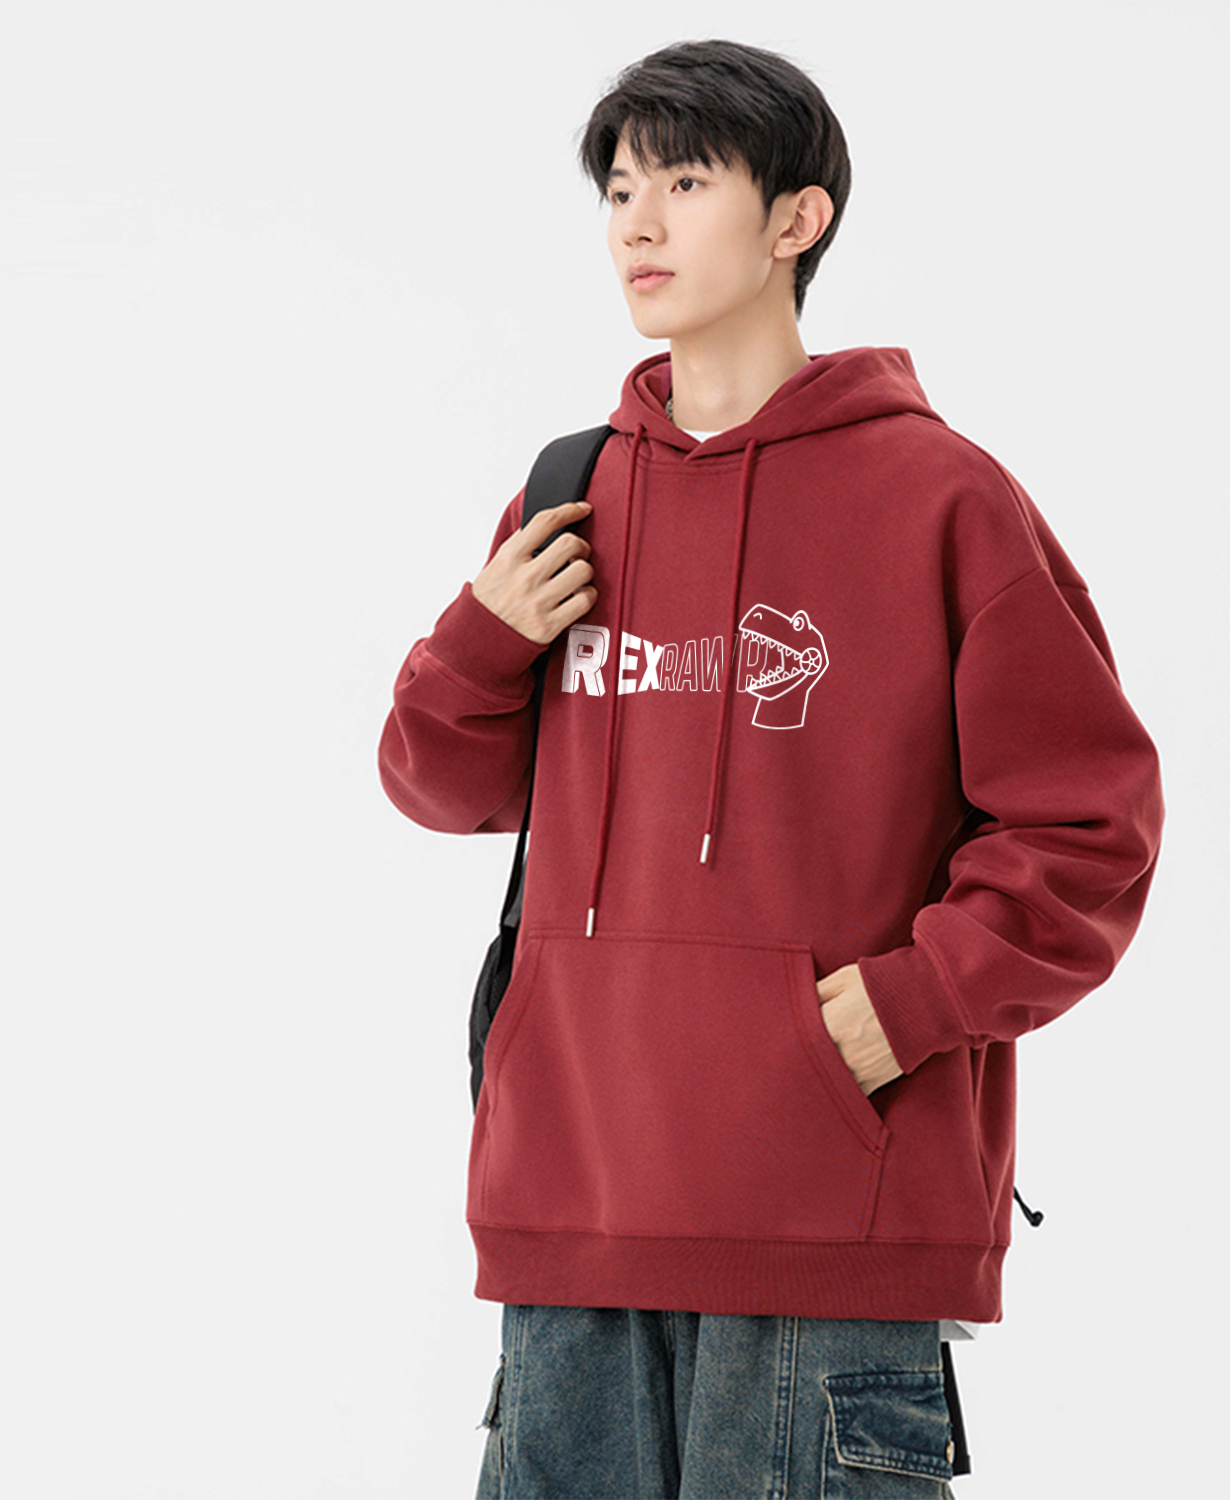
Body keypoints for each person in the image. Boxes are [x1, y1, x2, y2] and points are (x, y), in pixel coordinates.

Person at [378, 37, 1164, 1499]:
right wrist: (483, 639)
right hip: (571, 1217)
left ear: (798, 218)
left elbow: (1088, 829)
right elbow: (438, 786)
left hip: (827, 1234)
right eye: (621, 189)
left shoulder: (943, 499)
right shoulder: (570, 493)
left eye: (685, 183)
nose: (640, 222)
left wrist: (902, 1008)